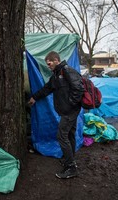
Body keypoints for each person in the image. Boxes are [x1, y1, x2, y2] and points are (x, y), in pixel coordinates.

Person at [28, 51, 84, 179]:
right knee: (69, 134)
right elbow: (47, 89)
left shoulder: (67, 71)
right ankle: (70, 159)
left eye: (49, 63)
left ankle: (71, 167)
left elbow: (79, 88)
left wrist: (71, 104)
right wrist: (34, 98)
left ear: (56, 60)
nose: (48, 66)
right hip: (68, 111)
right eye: (47, 64)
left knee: (61, 136)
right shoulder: (56, 75)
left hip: (70, 110)